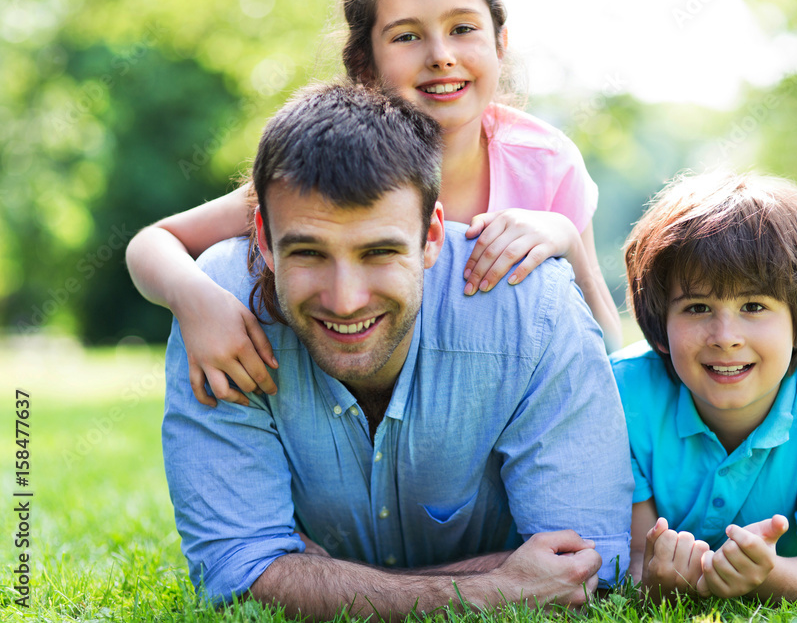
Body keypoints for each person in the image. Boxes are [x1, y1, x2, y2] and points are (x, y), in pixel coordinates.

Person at [160, 82, 632, 620]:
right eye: (309, 253)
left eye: (379, 251)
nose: (344, 299)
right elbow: (234, 576)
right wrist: (498, 587)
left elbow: (586, 569)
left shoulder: (534, 309)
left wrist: (301, 577)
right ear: (264, 240)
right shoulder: (218, 309)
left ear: (431, 235)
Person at [126, 0, 621, 411]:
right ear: (366, 63)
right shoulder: (329, 170)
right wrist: (197, 299)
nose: (441, 55)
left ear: (500, 42)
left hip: (492, 422)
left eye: (463, 28)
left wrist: (567, 239)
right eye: (407, 36)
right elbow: (153, 243)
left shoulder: (547, 164)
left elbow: (606, 350)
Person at [614, 171, 797, 602]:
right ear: (659, 328)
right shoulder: (622, 393)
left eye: (754, 305)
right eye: (698, 306)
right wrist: (651, 579)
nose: (725, 336)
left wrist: (768, 574)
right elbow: (631, 558)